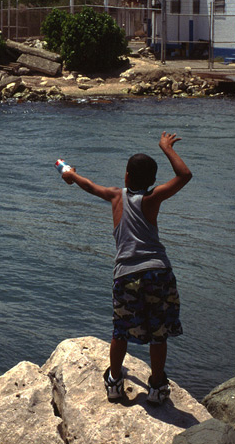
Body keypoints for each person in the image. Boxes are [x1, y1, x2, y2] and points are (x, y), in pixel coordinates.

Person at [61, 132, 192, 404]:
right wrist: (166, 148)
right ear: (152, 181)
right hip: (158, 272)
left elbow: (89, 186)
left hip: (127, 275)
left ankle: (115, 382)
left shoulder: (115, 196)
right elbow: (184, 175)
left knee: (120, 331)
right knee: (158, 333)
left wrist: (71, 175)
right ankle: (156, 386)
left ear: (126, 177)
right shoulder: (152, 198)